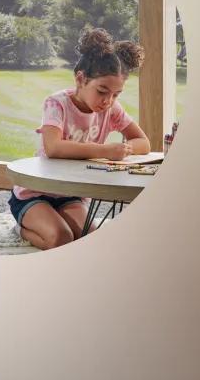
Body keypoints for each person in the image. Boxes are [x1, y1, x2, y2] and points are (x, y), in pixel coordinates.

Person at [9, 27, 150, 250]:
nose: (108, 101)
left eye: (116, 94)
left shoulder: (111, 109)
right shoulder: (57, 104)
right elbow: (53, 148)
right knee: (61, 237)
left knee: (89, 239)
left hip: (71, 195)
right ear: (80, 79)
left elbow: (143, 142)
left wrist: (125, 149)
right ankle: (21, 229)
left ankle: (54, 220)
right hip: (35, 193)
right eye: (102, 91)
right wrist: (104, 151)